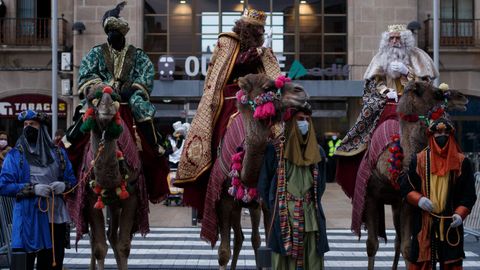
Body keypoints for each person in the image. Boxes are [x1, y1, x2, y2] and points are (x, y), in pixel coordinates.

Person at [174, 8, 281, 217]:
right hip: (231, 95)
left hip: (257, 97)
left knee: (276, 130)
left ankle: (280, 170)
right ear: (246, 28)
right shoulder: (228, 42)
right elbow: (227, 69)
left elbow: (273, 75)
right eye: (255, 28)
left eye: (261, 29)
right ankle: (212, 167)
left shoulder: (264, 51)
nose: (259, 32)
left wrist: (275, 84)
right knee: (219, 127)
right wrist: (254, 54)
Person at [64, 2, 169, 202]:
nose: (113, 36)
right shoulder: (96, 53)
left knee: (142, 108)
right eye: (110, 32)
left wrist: (134, 87)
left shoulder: (137, 55)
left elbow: (146, 74)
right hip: (103, 96)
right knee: (86, 112)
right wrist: (100, 88)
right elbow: (87, 74)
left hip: (129, 99)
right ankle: (73, 143)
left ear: (123, 35)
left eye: (116, 32)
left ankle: (153, 144)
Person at [335, 24, 438, 198]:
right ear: (387, 40)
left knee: (433, 125)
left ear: (404, 40)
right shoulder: (380, 58)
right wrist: (385, 91)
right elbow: (374, 83)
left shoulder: (416, 56)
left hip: (412, 102)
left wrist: (408, 72)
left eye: (398, 38)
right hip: (387, 102)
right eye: (392, 38)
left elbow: (426, 83)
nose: (395, 41)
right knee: (369, 121)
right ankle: (363, 157)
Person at [0, 110, 77, 270]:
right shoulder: (15, 156)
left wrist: (64, 186)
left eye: (33, 124)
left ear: (42, 128)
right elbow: (4, 185)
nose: (28, 128)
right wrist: (32, 189)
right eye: (25, 125)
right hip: (28, 218)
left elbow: (72, 182)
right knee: (24, 265)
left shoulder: (59, 154)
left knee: (52, 264)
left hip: (54, 218)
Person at [399, 118, 477, 270]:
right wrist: (419, 200)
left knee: (452, 263)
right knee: (421, 262)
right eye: (438, 132)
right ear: (431, 135)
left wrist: (460, 215)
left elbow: (469, 195)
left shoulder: (462, 162)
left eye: (446, 132)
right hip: (425, 223)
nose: (443, 135)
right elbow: (406, 187)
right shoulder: (419, 160)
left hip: (450, 224)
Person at [258, 105, 329, 269]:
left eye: (307, 120)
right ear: (290, 123)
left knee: (312, 259)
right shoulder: (274, 150)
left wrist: (307, 202)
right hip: (285, 217)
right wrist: (278, 206)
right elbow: (264, 183)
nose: (304, 123)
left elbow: (321, 185)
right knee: (283, 260)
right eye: (299, 120)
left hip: (311, 216)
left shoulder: (318, 151)